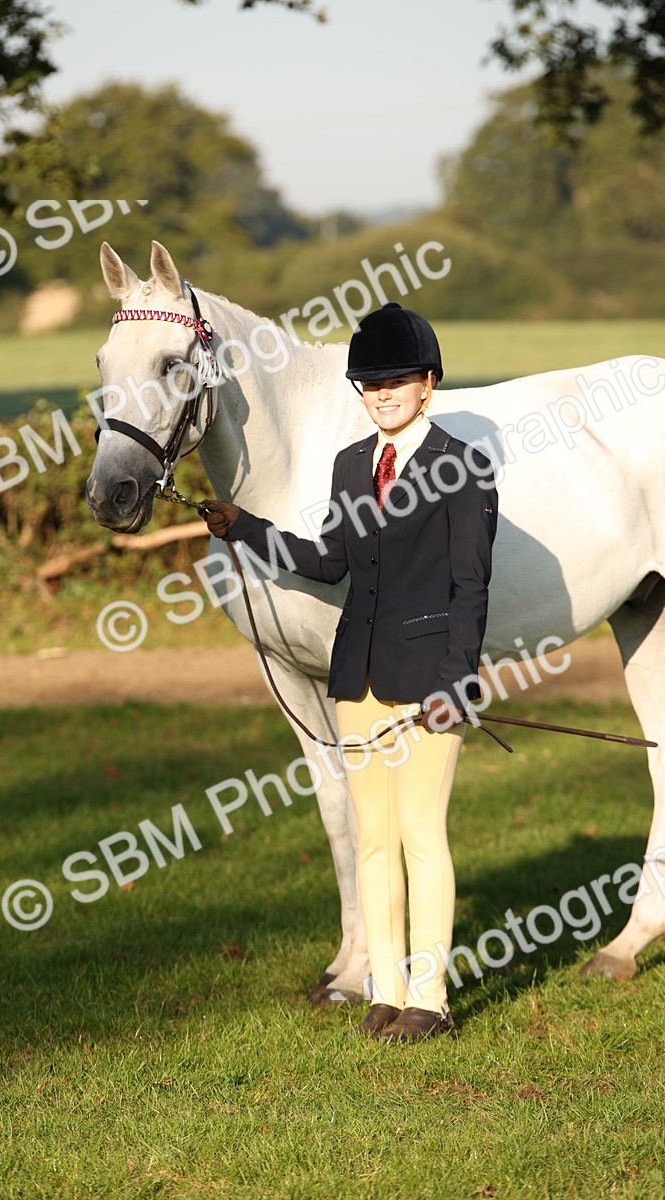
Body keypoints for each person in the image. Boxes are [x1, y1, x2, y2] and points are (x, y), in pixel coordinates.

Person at [200, 302, 498, 1041]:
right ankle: (385, 991)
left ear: (428, 384)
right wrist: (247, 527)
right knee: (373, 837)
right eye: (370, 383)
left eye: (398, 380)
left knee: (423, 834)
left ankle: (430, 999)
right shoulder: (348, 465)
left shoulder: (463, 465)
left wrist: (458, 679)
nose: (383, 393)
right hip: (356, 677)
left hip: (428, 679)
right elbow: (331, 563)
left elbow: (472, 586)